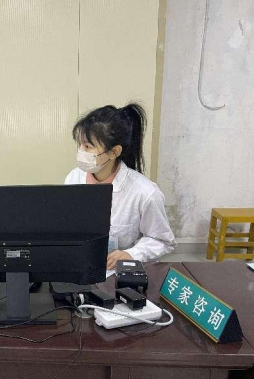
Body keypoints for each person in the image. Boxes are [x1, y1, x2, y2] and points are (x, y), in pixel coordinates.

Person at [64, 103, 176, 269]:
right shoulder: (74, 177)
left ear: (114, 151)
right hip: (80, 264)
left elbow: (163, 240)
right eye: (79, 144)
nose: (81, 151)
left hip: (119, 272)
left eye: (88, 146)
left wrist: (132, 254)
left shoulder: (145, 192)